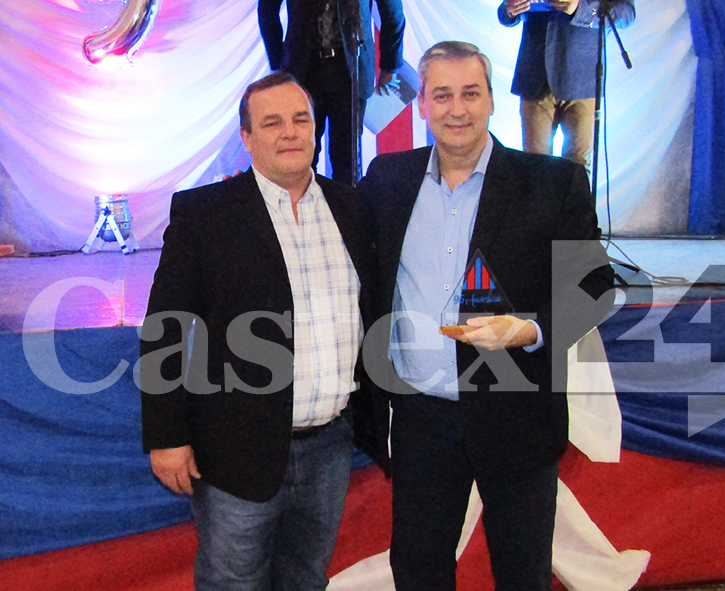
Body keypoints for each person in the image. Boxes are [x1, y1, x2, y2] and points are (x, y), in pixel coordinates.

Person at [357, 41, 614, 591]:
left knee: (522, 574)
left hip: (517, 413)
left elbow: (594, 286)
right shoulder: (387, 179)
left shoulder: (551, 182)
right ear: (422, 104)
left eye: (471, 94)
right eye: (442, 95)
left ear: (493, 100)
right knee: (418, 570)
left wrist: (531, 329)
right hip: (421, 417)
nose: (458, 109)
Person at [139, 72, 374, 591]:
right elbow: (165, 329)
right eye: (272, 123)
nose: (289, 132)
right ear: (247, 137)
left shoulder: (353, 208)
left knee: (306, 580)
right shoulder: (204, 215)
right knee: (232, 583)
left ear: (316, 128)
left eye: (300, 119)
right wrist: (166, 437)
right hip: (234, 450)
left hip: (330, 447)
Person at [258, 0, 405, 186]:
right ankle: (301, 202)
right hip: (303, 71)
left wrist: (390, 64)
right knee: (300, 151)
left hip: (351, 69)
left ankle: (347, 203)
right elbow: (267, 13)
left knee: (347, 157)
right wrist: (279, 65)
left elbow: (392, 12)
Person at [498, 0, 635, 166]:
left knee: (577, 168)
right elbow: (504, 12)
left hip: (582, 81)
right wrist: (509, 10)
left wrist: (580, 8)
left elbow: (626, 14)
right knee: (533, 168)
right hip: (535, 77)